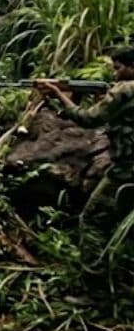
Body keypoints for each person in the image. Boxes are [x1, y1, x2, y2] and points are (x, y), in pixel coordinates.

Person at [36, 49, 134, 222]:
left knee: (91, 220)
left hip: (126, 169)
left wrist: (59, 94)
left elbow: (89, 119)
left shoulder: (125, 89)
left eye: (118, 68)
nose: (114, 73)